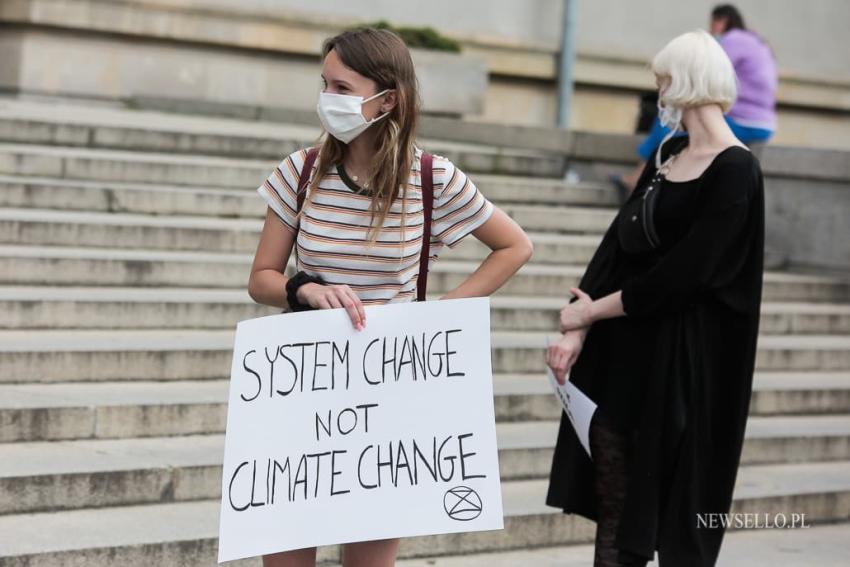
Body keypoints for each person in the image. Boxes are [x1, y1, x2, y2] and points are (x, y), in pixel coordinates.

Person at [247, 27, 533, 567]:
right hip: (302, 389)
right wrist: (305, 287)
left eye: (342, 87)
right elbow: (261, 277)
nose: (328, 99)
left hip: (388, 393)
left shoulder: (432, 178)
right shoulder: (302, 172)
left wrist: (436, 318)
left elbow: (514, 247)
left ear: (388, 98)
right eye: (324, 84)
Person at [545, 29, 765, 566]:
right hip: (625, 354)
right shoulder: (670, 152)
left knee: (666, 508)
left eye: (662, 80)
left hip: (684, 367)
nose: (658, 91)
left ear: (682, 83)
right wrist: (576, 327)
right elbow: (619, 241)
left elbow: (683, 277)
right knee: (616, 506)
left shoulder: (736, 170)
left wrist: (592, 310)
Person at [613, 4, 777, 199]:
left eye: (712, 24)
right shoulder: (758, 42)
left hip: (743, 120)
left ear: (721, 21)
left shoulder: (733, 40)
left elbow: (708, 71)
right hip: (765, 123)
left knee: (666, 123)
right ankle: (639, 179)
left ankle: (635, 181)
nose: (710, 31)